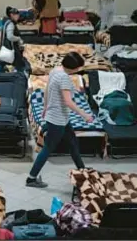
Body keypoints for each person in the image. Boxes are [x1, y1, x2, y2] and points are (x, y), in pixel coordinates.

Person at [26, 52, 93, 188]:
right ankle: (31, 178)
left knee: (73, 143)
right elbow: (68, 101)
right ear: (74, 68)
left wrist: (45, 107)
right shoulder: (64, 78)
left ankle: (82, 170)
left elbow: (46, 91)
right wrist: (85, 115)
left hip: (61, 116)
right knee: (48, 148)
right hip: (58, 119)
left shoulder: (55, 70)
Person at [0, 7, 25, 73]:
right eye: (16, 15)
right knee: (19, 63)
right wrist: (18, 38)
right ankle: (21, 77)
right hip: (11, 47)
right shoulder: (11, 24)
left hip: (5, 45)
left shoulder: (6, 22)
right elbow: (10, 37)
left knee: (2, 62)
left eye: (18, 15)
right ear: (12, 15)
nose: (18, 16)